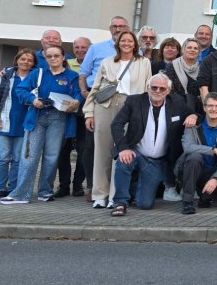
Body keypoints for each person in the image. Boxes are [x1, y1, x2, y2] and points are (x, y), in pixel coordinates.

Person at [1, 46, 83, 204]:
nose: (53, 59)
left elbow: (78, 93)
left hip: (59, 118)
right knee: (29, 156)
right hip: (37, 117)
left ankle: (45, 191)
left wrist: (76, 101)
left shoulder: (72, 76)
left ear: (63, 57)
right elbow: (21, 89)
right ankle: (21, 194)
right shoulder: (37, 73)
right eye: (49, 56)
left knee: (51, 157)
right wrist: (33, 100)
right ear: (45, 58)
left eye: (56, 56)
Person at [108, 74, 197, 216]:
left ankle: (134, 190)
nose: (158, 91)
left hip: (157, 162)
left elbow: (192, 113)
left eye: (162, 89)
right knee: (123, 160)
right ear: (148, 88)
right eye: (154, 87)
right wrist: (123, 148)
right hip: (136, 152)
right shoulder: (135, 101)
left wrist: (193, 116)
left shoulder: (177, 102)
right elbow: (117, 124)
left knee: (145, 204)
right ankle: (120, 202)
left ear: (168, 91)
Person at [83, 31, 152, 208]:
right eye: (123, 40)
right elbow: (96, 87)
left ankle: (116, 196)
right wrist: (89, 112)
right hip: (106, 106)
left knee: (122, 150)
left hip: (130, 106)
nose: (126, 43)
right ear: (118, 43)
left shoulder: (143, 62)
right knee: (102, 150)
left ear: (135, 44)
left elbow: (147, 88)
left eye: (130, 41)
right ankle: (99, 194)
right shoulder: (107, 62)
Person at [78, 16, 131, 202]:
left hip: (126, 105)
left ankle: (116, 193)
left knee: (122, 148)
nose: (118, 29)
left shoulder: (139, 58)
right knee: (96, 149)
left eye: (121, 27)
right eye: (114, 26)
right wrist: (86, 99)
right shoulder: (99, 52)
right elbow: (85, 75)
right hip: (102, 102)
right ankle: (96, 190)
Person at [176, 92, 217, 215]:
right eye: (210, 105)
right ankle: (187, 201)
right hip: (189, 168)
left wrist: (216, 178)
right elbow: (188, 148)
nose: (213, 109)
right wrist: (214, 150)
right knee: (195, 156)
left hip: (211, 171)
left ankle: (205, 195)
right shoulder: (193, 125)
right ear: (204, 108)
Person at [0, 49, 36, 201]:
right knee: (3, 157)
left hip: (24, 124)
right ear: (17, 60)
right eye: (23, 59)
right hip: (4, 122)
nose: (26, 62)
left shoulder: (36, 78)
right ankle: (0, 189)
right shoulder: (6, 77)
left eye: (29, 60)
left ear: (33, 63)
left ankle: (13, 188)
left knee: (18, 159)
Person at [55, 37, 94, 197]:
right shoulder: (67, 64)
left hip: (87, 114)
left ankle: (78, 184)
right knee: (62, 150)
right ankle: (64, 185)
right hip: (68, 114)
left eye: (84, 47)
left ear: (90, 48)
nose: (80, 50)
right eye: (77, 47)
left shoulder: (94, 65)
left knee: (84, 151)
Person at [164, 38, 202, 113]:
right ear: (183, 50)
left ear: (199, 52)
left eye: (195, 48)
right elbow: (169, 90)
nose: (192, 50)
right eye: (189, 47)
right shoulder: (172, 66)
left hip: (197, 109)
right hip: (176, 107)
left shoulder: (202, 68)